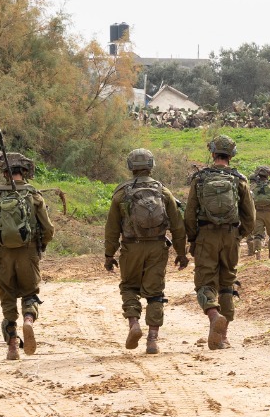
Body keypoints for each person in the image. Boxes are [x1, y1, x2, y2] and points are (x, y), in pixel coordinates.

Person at [0, 152, 56, 361]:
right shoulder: (34, 195)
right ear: (24, 172)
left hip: (4, 255)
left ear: (4, 173)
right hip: (28, 254)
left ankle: (12, 347)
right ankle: (28, 320)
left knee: (7, 298)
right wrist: (41, 246)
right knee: (30, 293)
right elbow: (48, 229)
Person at [104, 148, 187, 354]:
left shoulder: (121, 193)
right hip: (157, 248)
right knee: (155, 293)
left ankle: (134, 323)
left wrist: (109, 254)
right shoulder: (163, 192)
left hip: (131, 247)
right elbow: (177, 226)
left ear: (130, 166)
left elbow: (112, 228)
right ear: (151, 165)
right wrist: (181, 253)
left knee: (129, 287)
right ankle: (152, 339)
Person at [185, 134, 255, 349]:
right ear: (231, 155)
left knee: (205, 283)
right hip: (230, 235)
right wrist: (239, 235)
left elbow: (189, 214)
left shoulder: (200, 179)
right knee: (227, 283)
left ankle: (214, 315)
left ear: (213, 153)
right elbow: (250, 217)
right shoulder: (239, 180)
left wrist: (193, 238)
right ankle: (223, 337)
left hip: (206, 235)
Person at [248, 166, 270, 258]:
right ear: (268, 175)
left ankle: (258, 255)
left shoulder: (252, 187)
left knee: (257, 236)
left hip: (257, 213)